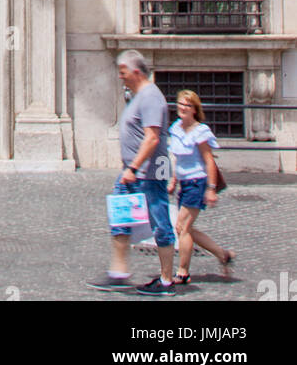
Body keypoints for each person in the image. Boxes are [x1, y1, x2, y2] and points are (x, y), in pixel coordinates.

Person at [87, 49, 176, 295]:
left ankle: (167, 282)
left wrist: (134, 167)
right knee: (120, 218)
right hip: (133, 172)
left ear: (136, 71)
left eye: (123, 72)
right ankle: (118, 272)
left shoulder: (150, 97)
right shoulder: (138, 95)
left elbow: (152, 138)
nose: (120, 77)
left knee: (160, 224)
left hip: (149, 173)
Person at [168, 89, 234, 285]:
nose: (183, 108)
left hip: (197, 182)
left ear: (195, 109)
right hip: (185, 183)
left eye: (187, 105)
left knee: (183, 227)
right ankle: (223, 254)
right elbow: (177, 158)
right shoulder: (176, 128)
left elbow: (209, 160)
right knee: (185, 227)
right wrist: (174, 180)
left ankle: (183, 272)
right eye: (180, 104)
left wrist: (211, 188)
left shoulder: (200, 131)